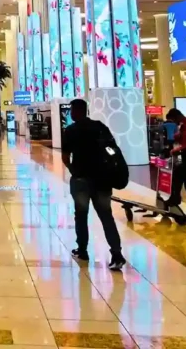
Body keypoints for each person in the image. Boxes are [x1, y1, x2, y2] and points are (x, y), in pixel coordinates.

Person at [61, 98, 126, 270]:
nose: (71, 114)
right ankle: (117, 253)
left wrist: (73, 170)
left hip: (81, 179)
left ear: (77, 111)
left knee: (81, 215)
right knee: (106, 216)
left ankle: (82, 249)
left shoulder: (71, 130)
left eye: (72, 111)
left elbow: (65, 157)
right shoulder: (100, 127)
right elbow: (113, 149)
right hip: (102, 179)